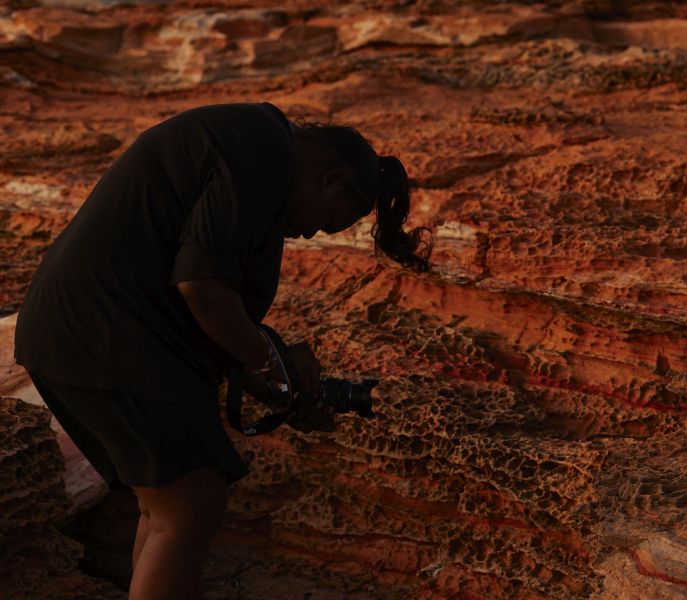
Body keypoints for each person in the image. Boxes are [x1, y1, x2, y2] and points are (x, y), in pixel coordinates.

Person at [12, 101, 432, 600]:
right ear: (331, 180)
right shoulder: (263, 151)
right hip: (105, 336)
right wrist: (270, 364)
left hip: (82, 332)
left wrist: (280, 385)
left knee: (169, 506)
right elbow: (203, 287)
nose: (308, 234)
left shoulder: (257, 147)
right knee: (190, 506)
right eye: (328, 221)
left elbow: (209, 299)